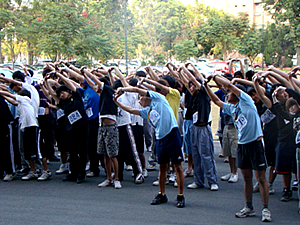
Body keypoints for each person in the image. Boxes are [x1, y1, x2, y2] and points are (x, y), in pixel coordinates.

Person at [204, 74, 271, 222]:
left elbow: (229, 85)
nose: (227, 95)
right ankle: (249, 207)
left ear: (237, 93)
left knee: (260, 178)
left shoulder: (246, 101)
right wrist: (205, 85)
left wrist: (215, 76)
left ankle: (266, 208)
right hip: (242, 146)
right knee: (247, 178)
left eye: (229, 93)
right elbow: (216, 101)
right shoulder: (232, 108)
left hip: (255, 144)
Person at [113, 86, 185, 208]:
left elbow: (136, 89)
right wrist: (116, 102)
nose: (139, 100)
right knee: (162, 167)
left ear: (147, 97)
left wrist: (122, 89)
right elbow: (131, 110)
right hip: (160, 138)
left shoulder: (159, 99)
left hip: (172, 134)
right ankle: (162, 194)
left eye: (141, 98)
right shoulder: (147, 111)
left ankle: (180, 195)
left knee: (177, 166)